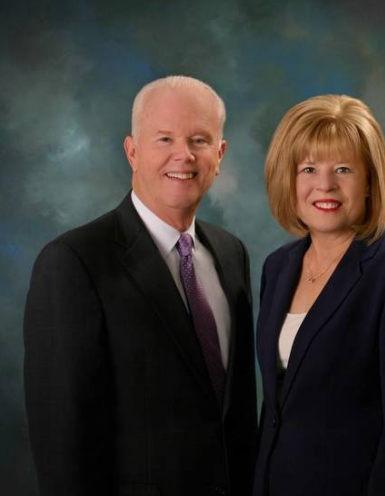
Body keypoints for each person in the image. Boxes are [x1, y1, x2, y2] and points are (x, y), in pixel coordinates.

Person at [24, 76, 257, 496]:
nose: (183, 155)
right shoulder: (74, 262)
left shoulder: (230, 254)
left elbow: (235, 414)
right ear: (132, 151)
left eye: (199, 140)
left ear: (219, 155)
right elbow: (62, 443)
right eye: (164, 138)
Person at [254, 95, 385, 496]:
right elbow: (275, 410)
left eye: (343, 169)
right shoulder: (278, 266)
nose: (325, 185)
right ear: (287, 179)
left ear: (371, 181)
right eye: (308, 169)